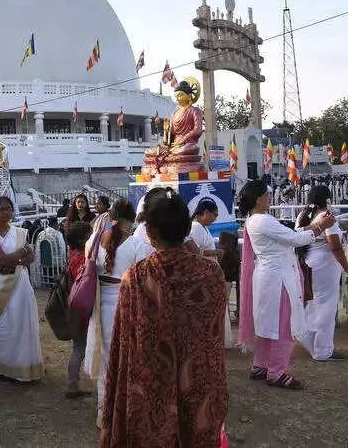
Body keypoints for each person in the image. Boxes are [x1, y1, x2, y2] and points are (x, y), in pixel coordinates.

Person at [101, 189, 227, 447]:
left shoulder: (135, 278)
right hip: (200, 381)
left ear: (150, 233)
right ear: (185, 228)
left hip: (150, 385)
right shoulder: (212, 275)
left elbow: (123, 349)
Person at [237, 180, 334, 390]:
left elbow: (290, 236)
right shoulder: (262, 220)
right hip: (278, 279)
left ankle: (260, 366)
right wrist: (321, 227)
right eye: (266, 195)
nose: (270, 198)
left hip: (270, 277)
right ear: (258, 199)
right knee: (285, 327)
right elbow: (296, 240)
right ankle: (276, 372)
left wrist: (316, 227)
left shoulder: (255, 220)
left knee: (269, 327)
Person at [84, 199, 152, 426]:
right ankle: (124, 413)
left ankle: (104, 413)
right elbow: (144, 282)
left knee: (105, 360)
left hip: (99, 306)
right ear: (131, 220)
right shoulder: (136, 245)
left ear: (111, 216)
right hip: (126, 306)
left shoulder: (93, 240)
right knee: (127, 359)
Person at [0, 196, 43, 382]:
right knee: (4, 325)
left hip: (21, 285)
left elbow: (31, 257)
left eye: (9, 209)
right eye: (1, 209)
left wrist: (19, 258)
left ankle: (26, 366)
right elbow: (2, 259)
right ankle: (6, 368)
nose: (6, 212)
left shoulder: (20, 232)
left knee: (23, 323)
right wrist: (22, 254)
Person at [296, 186, 348, 360]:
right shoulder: (326, 217)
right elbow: (334, 245)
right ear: (327, 200)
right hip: (326, 266)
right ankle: (323, 350)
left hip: (309, 263)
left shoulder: (302, 215)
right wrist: (347, 267)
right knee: (327, 308)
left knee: (314, 305)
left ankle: (309, 339)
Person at [185, 200, 233, 348]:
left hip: (209, 271)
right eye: (215, 215)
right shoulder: (196, 228)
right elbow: (193, 253)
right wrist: (214, 252)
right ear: (205, 213)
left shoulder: (202, 227)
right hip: (202, 273)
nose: (215, 219)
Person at [63, 222, 92, 399]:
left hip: (74, 306)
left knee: (78, 347)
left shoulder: (73, 255)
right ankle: (71, 386)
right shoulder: (83, 259)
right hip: (82, 308)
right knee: (80, 348)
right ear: (83, 239)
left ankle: (72, 384)